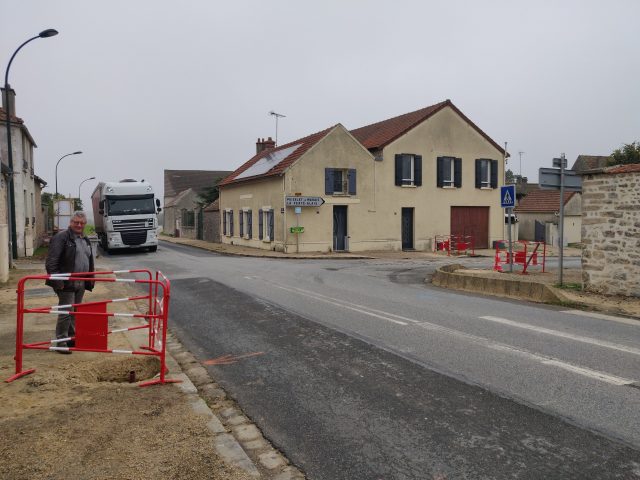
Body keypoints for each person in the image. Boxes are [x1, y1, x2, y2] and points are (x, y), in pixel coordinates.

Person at [45, 211, 95, 354]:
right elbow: (51, 262)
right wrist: (58, 281)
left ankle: (71, 338)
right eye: (76, 222)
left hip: (81, 281)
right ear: (70, 223)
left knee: (75, 311)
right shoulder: (61, 237)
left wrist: (90, 279)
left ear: (85, 224)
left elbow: (89, 259)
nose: (79, 225)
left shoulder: (85, 238)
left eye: (82, 223)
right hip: (66, 282)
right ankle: (61, 342)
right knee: (66, 312)